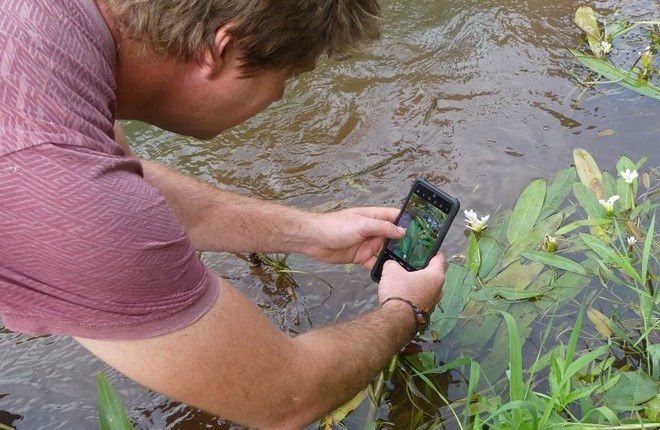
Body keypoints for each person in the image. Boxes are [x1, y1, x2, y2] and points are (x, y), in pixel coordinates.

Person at [0, 1, 446, 428]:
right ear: (222, 49)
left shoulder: (57, 28)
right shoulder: (66, 184)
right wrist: (405, 308)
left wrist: (308, 233)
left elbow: (120, 178)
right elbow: (287, 394)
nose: (279, 96)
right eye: (286, 75)